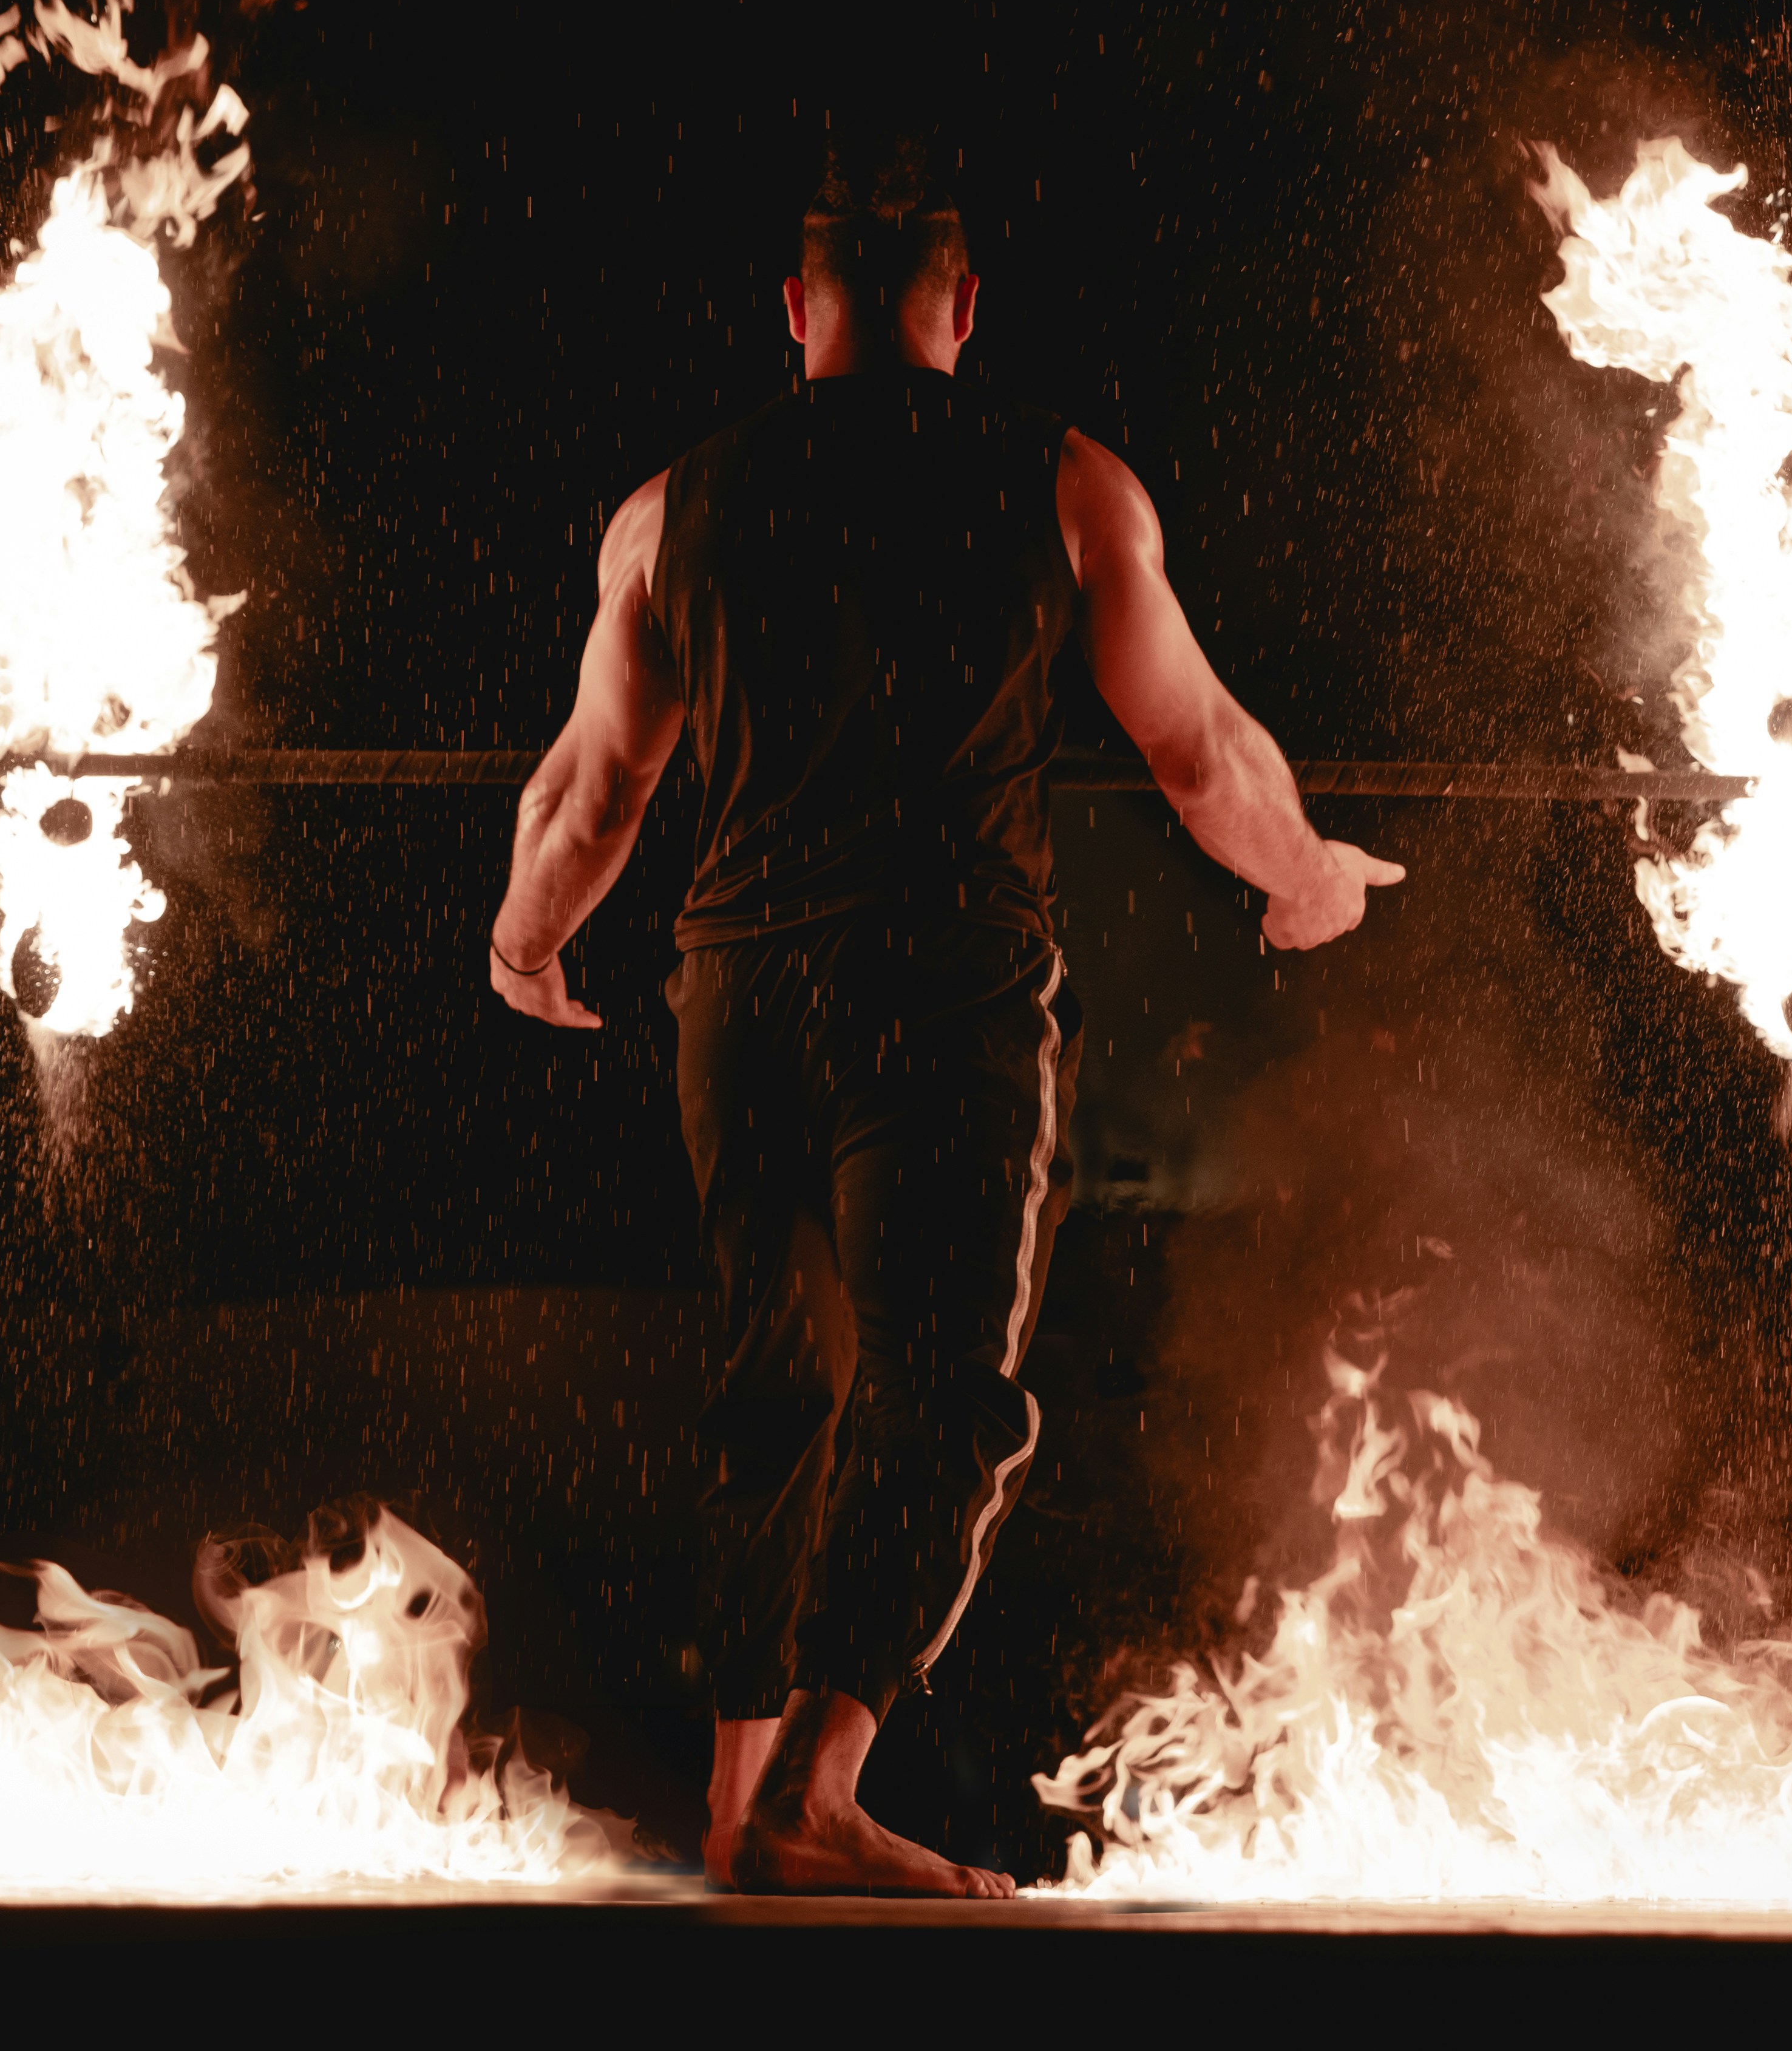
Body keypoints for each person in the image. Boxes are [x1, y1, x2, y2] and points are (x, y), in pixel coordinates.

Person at [484, 134, 1404, 1895]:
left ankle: (737, 1811)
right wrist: (1302, 884)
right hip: (943, 998)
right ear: (962, 310)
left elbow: (593, 793)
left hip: (737, 989)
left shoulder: (669, 507)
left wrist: (527, 944)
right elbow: (1198, 751)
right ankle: (814, 1799)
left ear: (792, 308)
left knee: (777, 1384)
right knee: (943, 1396)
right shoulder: (1063, 487)